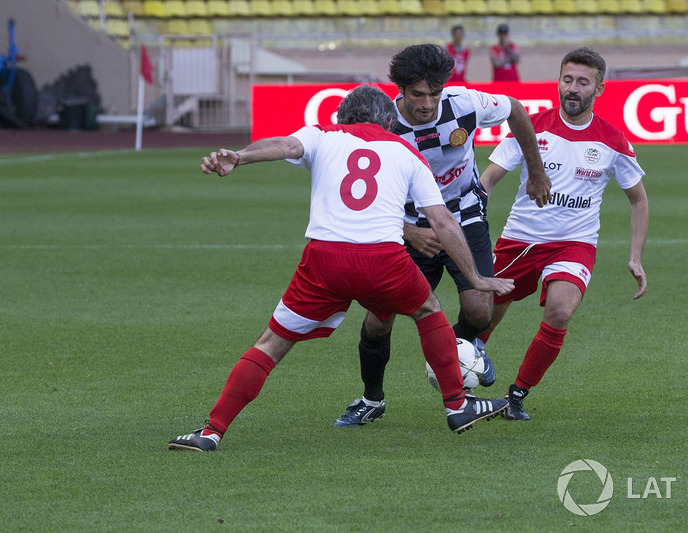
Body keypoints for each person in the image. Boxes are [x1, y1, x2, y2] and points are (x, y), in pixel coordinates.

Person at [168, 85, 514, 451]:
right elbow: (443, 221)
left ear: (340, 117)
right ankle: (457, 407)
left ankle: (211, 432)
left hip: (324, 262)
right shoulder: (408, 152)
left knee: (270, 345)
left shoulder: (322, 135)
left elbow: (284, 146)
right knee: (428, 310)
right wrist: (476, 277)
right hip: (384, 260)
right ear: (388, 120)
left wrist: (239, 157)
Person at [333, 44, 550, 428]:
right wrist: (409, 231)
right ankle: (371, 399)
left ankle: (457, 358)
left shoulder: (464, 103)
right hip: (405, 223)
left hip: (464, 215)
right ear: (399, 90)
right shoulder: (384, 125)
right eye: (418, 94)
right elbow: (359, 194)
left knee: (480, 311)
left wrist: (535, 172)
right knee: (378, 320)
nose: (428, 103)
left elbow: (515, 109)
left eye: (434, 93)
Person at [478, 47, 649, 420]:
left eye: (583, 82)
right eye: (567, 79)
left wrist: (635, 256)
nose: (573, 88)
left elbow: (638, 200)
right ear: (558, 81)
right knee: (483, 316)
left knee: (559, 310)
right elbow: (488, 179)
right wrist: (472, 221)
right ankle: (465, 369)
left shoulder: (613, 140)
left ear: (599, 89)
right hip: (521, 238)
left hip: (575, 242)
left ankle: (517, 395)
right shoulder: (530, 126)